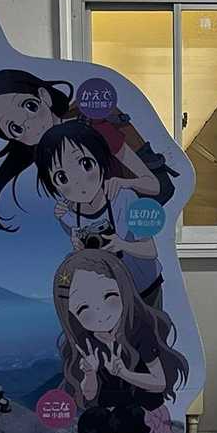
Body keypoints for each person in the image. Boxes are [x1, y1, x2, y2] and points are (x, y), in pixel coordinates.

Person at [52, 249, 189, 433]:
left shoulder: (139, 332)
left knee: (126, 419)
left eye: (109, 297)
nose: (100, 313)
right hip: (109, 410)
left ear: (124, 291)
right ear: (71, 313)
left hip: (142, 410)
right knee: (92, 421)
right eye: (84, 308)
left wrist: (125, 373)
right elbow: (89, 396)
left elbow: (159, 382)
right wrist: (90, 373)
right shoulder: (86, 343)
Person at [0, 68, 176, 232]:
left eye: (30, 106)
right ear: (13, 137)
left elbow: (154, 185)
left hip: (127, 223)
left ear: (44, 96)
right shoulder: (45, 157)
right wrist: (68, 211)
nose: (30, 124)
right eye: (16, 128)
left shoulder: (94, 129)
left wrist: (123, 183)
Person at [35, 121, 166, 307]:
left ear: (100, 160)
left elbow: (151, 250)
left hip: (145, 287)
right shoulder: (68, 216)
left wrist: (121, 244)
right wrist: (80, 251)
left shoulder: (125, 198)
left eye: (85, 164)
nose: (78, 182)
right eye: (62, 177)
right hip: (110, 297)